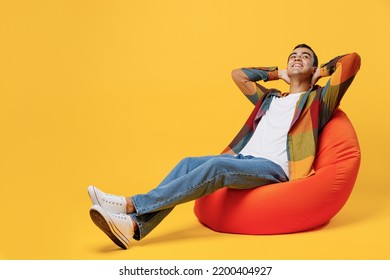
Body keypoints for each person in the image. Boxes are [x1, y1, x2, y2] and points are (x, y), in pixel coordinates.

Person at [88, 44, 361, 249]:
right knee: (186, 163)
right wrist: (277, 74)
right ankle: (134, 226)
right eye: (293, 56)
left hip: (274, 169)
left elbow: (351, 61)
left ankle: (128, 205)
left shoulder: (319, 102)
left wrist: (320, 73)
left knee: (217, 165)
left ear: (313, 68)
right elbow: (239, 75)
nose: (297, 59)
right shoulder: (268, 99)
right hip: (244, 159)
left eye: (304, 57)